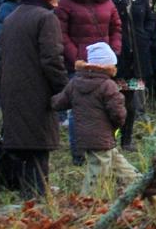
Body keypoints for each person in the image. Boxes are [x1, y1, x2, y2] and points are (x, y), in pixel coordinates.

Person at [0, 0, 68, 197]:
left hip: (11, 88)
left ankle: (26, 193)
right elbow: (52, 58)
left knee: (22, 145)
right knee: (38, 146)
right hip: (37, 90)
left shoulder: (12, 17)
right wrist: (63, 88)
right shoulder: (46, 18)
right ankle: (37, 196)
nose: (58, 0)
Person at [51, 41, 140, 196]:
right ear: (107, 65)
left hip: (84, 135)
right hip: (102, 136)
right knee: (97, 171)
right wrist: (118, 125)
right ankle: (89, 200)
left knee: (116, 162)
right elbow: (118, 113)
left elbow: (59, 103)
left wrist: (47, 100)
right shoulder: (108, 85)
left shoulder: (75, 83)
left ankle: (138, 184)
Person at [56, 0, 122, 164]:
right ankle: (78, 153)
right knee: (78, 109)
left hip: (104, 63)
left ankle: (106, 146)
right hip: (80, 63)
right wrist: (77, 56)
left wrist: (114, 50)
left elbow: (116, 27)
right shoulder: (67, 1)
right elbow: (61, 33)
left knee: (105, 105)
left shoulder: (106, 0)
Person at [105, 0, 156, 151]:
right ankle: (110, 138)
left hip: (137, 58)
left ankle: (126, 140)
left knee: (130, 101)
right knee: (115, 101)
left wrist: (145, 37)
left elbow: (150, 19)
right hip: (117, 57)